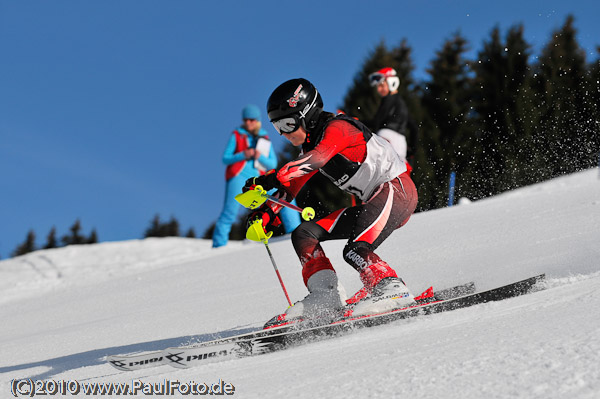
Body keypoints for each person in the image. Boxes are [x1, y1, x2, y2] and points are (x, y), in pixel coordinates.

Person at [243, 79, 418, 324]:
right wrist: (266, 212)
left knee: (355, 249)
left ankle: (391, 289)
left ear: (307, 114)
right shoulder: (309, 147)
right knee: (304, 233)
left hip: (396, 190)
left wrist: (273, 176)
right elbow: (290, 187)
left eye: (288, 123)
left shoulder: (337, 128)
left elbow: (318, 158)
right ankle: (326, 296)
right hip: (374, 201)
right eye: (277, 126)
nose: (284, 133)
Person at [212, 104, 300, 248]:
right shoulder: (237, 134)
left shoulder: (264, 137)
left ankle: (295, 231)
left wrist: (260, 157)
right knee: (230, 210)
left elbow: (272, 163)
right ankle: (218, 245)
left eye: (252, 120)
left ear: (257, 120)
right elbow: (225, 158)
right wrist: (243, 154)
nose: (248, 123)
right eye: (246, 120)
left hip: (260, 179)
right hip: (239, 175)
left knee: (284, 196)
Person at [367, 67, 410, 163]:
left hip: (385, 136)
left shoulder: (388, 100)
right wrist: (412, 152)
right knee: (399, 172)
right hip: (401, 143)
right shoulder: (402, 104)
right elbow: (414, 127)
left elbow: (377, 121)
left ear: (392, 83)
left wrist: (354, 121)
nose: (379, 89)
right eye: (378, 87)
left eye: (382, 85)